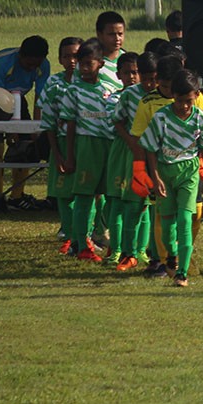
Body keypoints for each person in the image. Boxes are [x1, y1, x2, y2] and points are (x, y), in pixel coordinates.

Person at [140, 69, 203, 288]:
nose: (184, 106)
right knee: (167, 226)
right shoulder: (162, 118)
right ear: (172, 95)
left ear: (196, 95)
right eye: (180, 100)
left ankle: (182, 273)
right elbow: (150, 149)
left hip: (189, 173)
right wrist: (155, 178)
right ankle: (171, 256)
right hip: (165, 173)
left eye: (189, 101)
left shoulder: (200, 118)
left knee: (185, 220)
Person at [0, 35, 51, 212]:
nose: (32, 68)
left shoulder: (43, 66)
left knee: (26, 145)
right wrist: (10, 131)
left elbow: (40, 98)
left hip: (17, 97)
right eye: (28, 64)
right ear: (20, 56)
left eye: (36, 65)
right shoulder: (2, 62)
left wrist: (36, 128)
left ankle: (16, 197)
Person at [59, 41, 119, 262]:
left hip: (109, 145)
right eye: (81, 65)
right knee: (84, 196)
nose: (84, 69)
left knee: (111, 195)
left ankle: (110, 240)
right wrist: (70, 155)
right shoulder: (73, 91)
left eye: (88, 64)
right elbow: (69, 124)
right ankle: (81, 243)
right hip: (87, 146)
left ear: (100, 64)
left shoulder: (109, 90)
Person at [115, 51, 158, 272]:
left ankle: (154, 252)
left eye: (154, 78)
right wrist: (131, 142)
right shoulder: (130, 95)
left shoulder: (164, 94)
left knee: (156, 208)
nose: (151, 83)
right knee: (133, 205)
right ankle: (128, 253)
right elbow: (118, 120)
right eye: (147, 78)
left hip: (158, 159)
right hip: (137, 157)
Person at [40, 36, 82, 250]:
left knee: (88, 190)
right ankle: (68, 231)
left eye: (76, 56)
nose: (72, 61)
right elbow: (47, 121)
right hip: (62, 142)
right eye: (67, 56)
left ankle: (89, 232)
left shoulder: (91, 82)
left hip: (85, 143)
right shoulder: (53, 83)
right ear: (59, 59)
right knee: (63, 191)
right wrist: (56, 153)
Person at [102, 52, 140, 265]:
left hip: (141, 153)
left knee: (141, 204)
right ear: (118, 75)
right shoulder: (116, 97)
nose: (132, 76)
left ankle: (139, 250)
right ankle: (115, 249)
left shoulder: (147, 98)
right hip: (121, 151)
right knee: (116, 201)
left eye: (135, 72)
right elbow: (112, 122)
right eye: (127, 72)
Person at [95, 11, 126, 92]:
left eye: (120, 34)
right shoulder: (90, 62)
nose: (117, 38)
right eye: (111, 34)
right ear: (99, 34)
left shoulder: (128, 60)